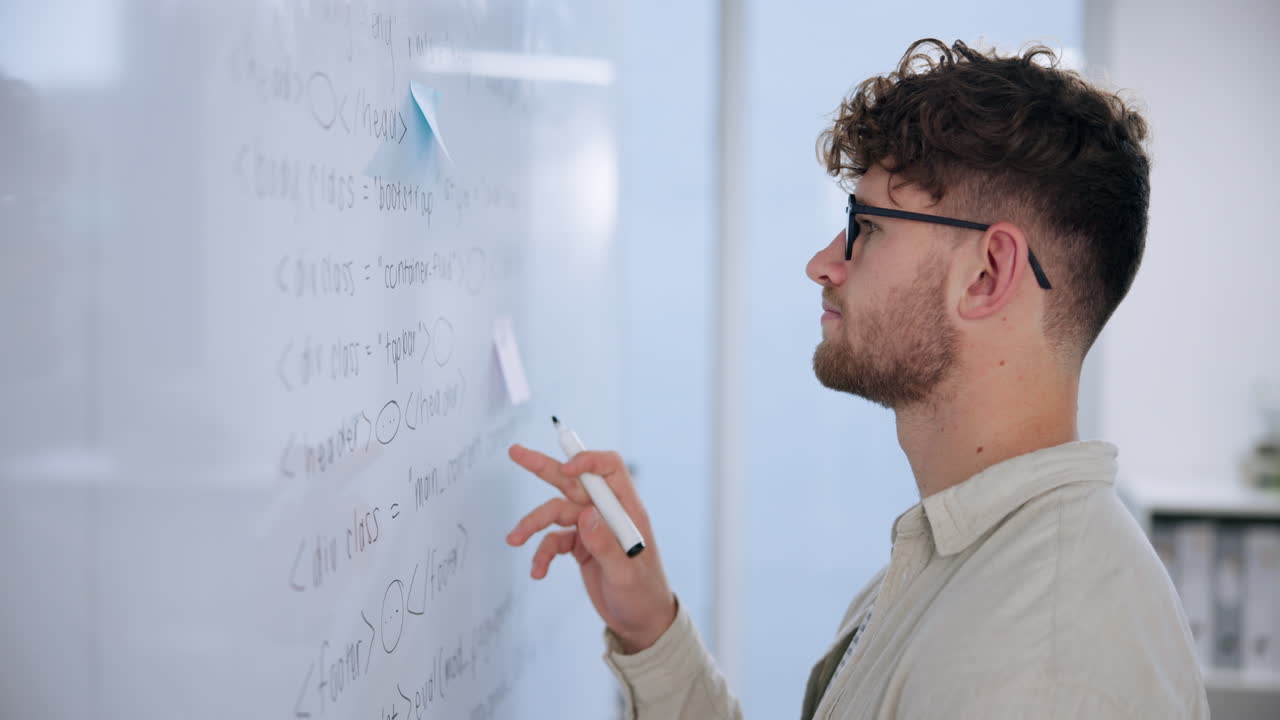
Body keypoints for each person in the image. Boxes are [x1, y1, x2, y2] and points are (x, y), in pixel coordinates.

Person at [506, 38, 1209, 719]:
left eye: (867, 227)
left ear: (988, 274)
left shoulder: (1042, 664)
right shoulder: (967, 561)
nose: (822, 262)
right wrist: (651, 628)